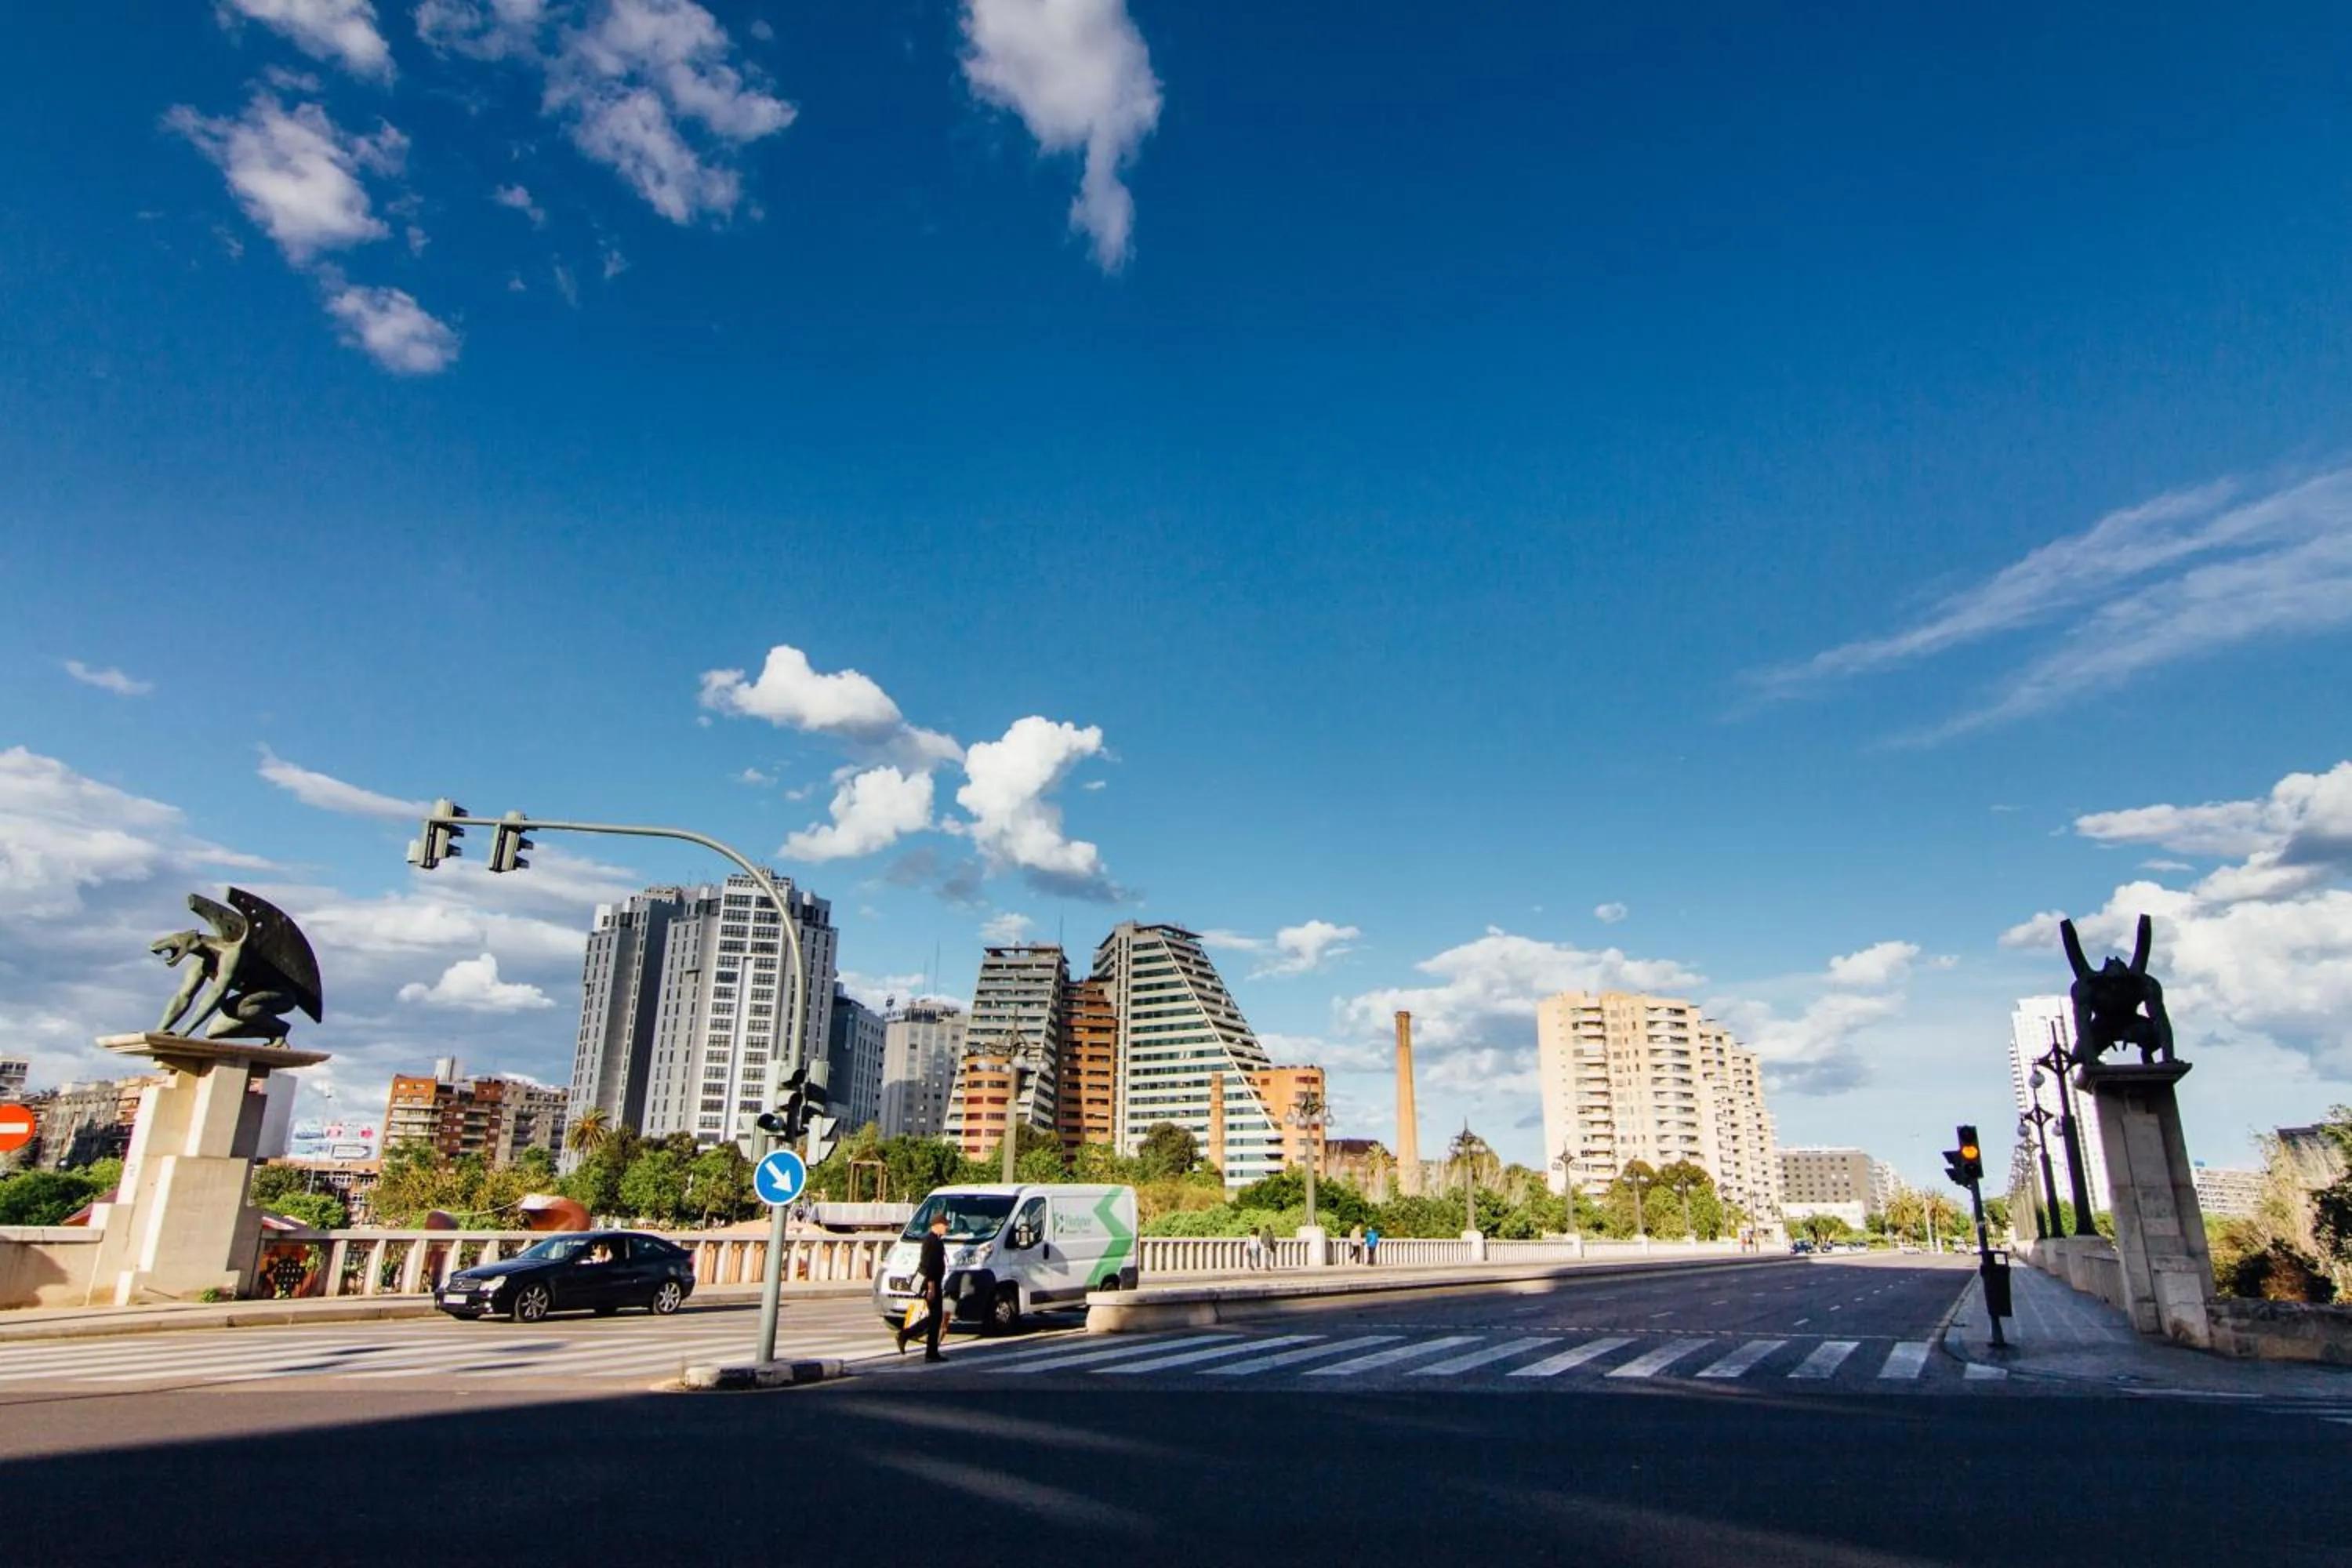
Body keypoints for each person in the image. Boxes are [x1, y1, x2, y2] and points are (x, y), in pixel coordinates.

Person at [898, 1212, 949, 1363]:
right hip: (931, 1284)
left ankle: (911, 1338)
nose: (947, 1228)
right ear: (937, 1225)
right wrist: (931, 1287)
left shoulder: (936, 1241)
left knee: (935, 1318)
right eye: (945, 1225)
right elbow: (929, 1265)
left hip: (935, 1283)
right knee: (935, 1318)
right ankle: (926, 1350)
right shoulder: (931, 1241)